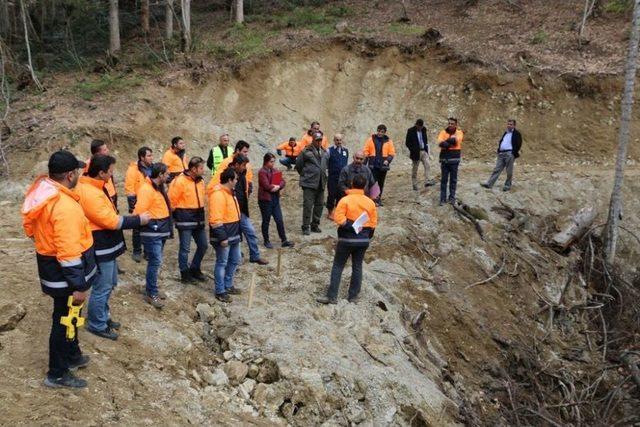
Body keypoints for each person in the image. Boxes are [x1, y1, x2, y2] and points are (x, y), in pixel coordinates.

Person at [22, 150, 97, 388]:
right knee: (64, 319)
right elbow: (68, 251)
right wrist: (78, 285)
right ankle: (57, 372)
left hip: (54, 270)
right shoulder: (63, 206)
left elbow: (33, 230)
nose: (79, 175)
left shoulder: (44, 192)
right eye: (77, 172)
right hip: (65, 276)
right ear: (69, 175)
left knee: (70, 317)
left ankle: (72, 355)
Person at [75, 155, 150, 340]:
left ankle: (103, 316)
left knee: (110, 284)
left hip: (107, 245)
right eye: (110, 171)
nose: (112, 174)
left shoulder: (95, 188)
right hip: (100, 247)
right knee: (102, 286)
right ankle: (97, 323)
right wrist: (138, 220)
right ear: (101, 172)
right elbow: (110, 221)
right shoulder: (89, 192)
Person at [316, 175, 377, 305]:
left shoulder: (345, 200)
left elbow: (339, 219)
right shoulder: (370, 202)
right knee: (357, 266)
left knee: (338, 266)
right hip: (363, 240)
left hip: (346, 239)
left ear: (351, 184)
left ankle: (332, 296)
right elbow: (373, 223)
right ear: (365, 186)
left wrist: (351, 226)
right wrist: (365, 234)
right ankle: (353, 297)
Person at [134, 163, 172, 308]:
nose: (169, 176)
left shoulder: (158, 188)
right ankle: (151, 293)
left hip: (159, 229)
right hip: (152, 231)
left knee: (156, 262)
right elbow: (139, 212)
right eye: (167, 174)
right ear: (160, 175)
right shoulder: (146, 189)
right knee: (155, 261)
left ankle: (152, 288)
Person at [168, 157, 208, 283]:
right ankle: (184, 273)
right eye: (201, 168)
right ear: (193, 169)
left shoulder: (200, 181)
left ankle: (195, 268)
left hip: (198, 218)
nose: (203, 170)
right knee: (185, 248)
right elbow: (171, 201)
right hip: (184, 218)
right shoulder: (179, 181)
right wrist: (175, 217)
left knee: (203, 245)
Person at [209, 168, 242, 303]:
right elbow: (215, 219)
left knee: (235, 259)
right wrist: (222, 237)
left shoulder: (229, 193)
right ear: (229, 180)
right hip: (225, 235)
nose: (237, 181)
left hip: (233, 233)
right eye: (235, 179)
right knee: (222, 262)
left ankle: (228, 285)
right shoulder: (218, 195)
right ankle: (220, 290)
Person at [229, 154, 269, 265]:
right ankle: (235, 259)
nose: (244, 167)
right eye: (243, 165)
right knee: (235, 237)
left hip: (242, 210)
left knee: (250, 232)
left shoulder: (242, 174)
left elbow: (243, 190)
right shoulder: (228, 175)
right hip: (231, 211)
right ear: (236, 164)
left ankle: (254, 256)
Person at [258, 153, 294, 249]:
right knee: (266, 220)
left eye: (273, 161)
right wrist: (274, 187)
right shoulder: (262, 172)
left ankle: (284, 240)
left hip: (274, 199)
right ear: (266, 161)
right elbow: (265, 185)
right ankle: (266, 240)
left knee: (279, 220)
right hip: (265, 200)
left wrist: (278, 187)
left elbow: (282, 181)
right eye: (271, 161)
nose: (273, 163)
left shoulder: (274, 170)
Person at [295, 131, 328, 235]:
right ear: (313, 140)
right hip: (309, 183)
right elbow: (299, 165)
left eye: (320, 140)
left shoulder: (324, 152)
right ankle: (305, 226)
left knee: (319, 205)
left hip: (321, 183)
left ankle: (315, 225)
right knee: (308, 206)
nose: (319, 142)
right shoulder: (306, 151)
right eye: (317, 140)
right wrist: (305, 174)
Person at [125, 146, 153, 262]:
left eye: (152, 155)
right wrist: (133, 206)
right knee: (137, 228)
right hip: (138, 202)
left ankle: (147, 251)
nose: (151, 158)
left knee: (149, 227)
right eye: (149, 156)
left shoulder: (153, 168)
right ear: (142, 157)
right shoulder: (133, 170)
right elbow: (129, 188)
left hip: (150, 201)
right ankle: (137, 251)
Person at [480, 119, 523, 192]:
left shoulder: (516, 133)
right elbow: (502, 141)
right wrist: (499, 150)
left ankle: (507, 185)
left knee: (509, 171)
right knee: (497, 169)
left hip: (509, 154)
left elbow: (519, 143)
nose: (509, 125)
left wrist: (513, 152)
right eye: (508, 124)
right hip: (502, 154)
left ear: (514, 125)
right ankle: (489, 184)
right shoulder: (506, 133)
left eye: (511, 124)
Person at [363, 124, 396, 206]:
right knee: (372, 183)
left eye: (382, 132)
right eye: (379, 131)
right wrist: (364, 163)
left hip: (383, 166)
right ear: (377, 130)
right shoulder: (371, 139)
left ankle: (378, 199)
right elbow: (366, 151)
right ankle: (372, 199)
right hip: (373, 165)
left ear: (385, 132)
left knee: (381, 183)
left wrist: (387, 160)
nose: (380, 133)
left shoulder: (388, 141)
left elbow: (392, 153)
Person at [437, 117, 464, 205]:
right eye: (449, 123)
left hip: (454, 160)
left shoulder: (459, 133)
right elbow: (440, 143)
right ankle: (442, 199)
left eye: (452, 124)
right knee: (444, 180)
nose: (450, 125)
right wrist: (450, 142)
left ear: (456, 125)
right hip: (444, 160)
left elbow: (455, 141)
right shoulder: (443, 132)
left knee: (453, 180)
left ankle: (452, 197)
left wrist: (446, 143)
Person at [84, 139, 117, 207]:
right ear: (97, 153)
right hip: (102, 194)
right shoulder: (89, 164)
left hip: (111, 193)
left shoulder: (107, 162)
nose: (107, 150)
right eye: (105, 149)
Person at [405, 119, 434, 191]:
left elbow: (425, 139)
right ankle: (414, 185)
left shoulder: (424, 129)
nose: (420, 128)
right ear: (416, 125)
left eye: (421, 127)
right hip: (415, 152)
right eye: (419, 126)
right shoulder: (410, 130)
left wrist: (426, 148)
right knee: (415, 169)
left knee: (427, 165)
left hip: (423, 151)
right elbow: (407, 142)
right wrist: (413, 149)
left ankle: (427, 180)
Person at [326, 134, 349, 220]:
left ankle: (338, 212)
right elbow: (326, 163)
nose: (339, 142)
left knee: (341, 195)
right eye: (337, 140)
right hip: (332, 177)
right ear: (334, 140)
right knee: (331, 195)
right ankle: (330, 212)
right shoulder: (329, 151)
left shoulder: (345, 151)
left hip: (342, 178)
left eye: (340, 140)